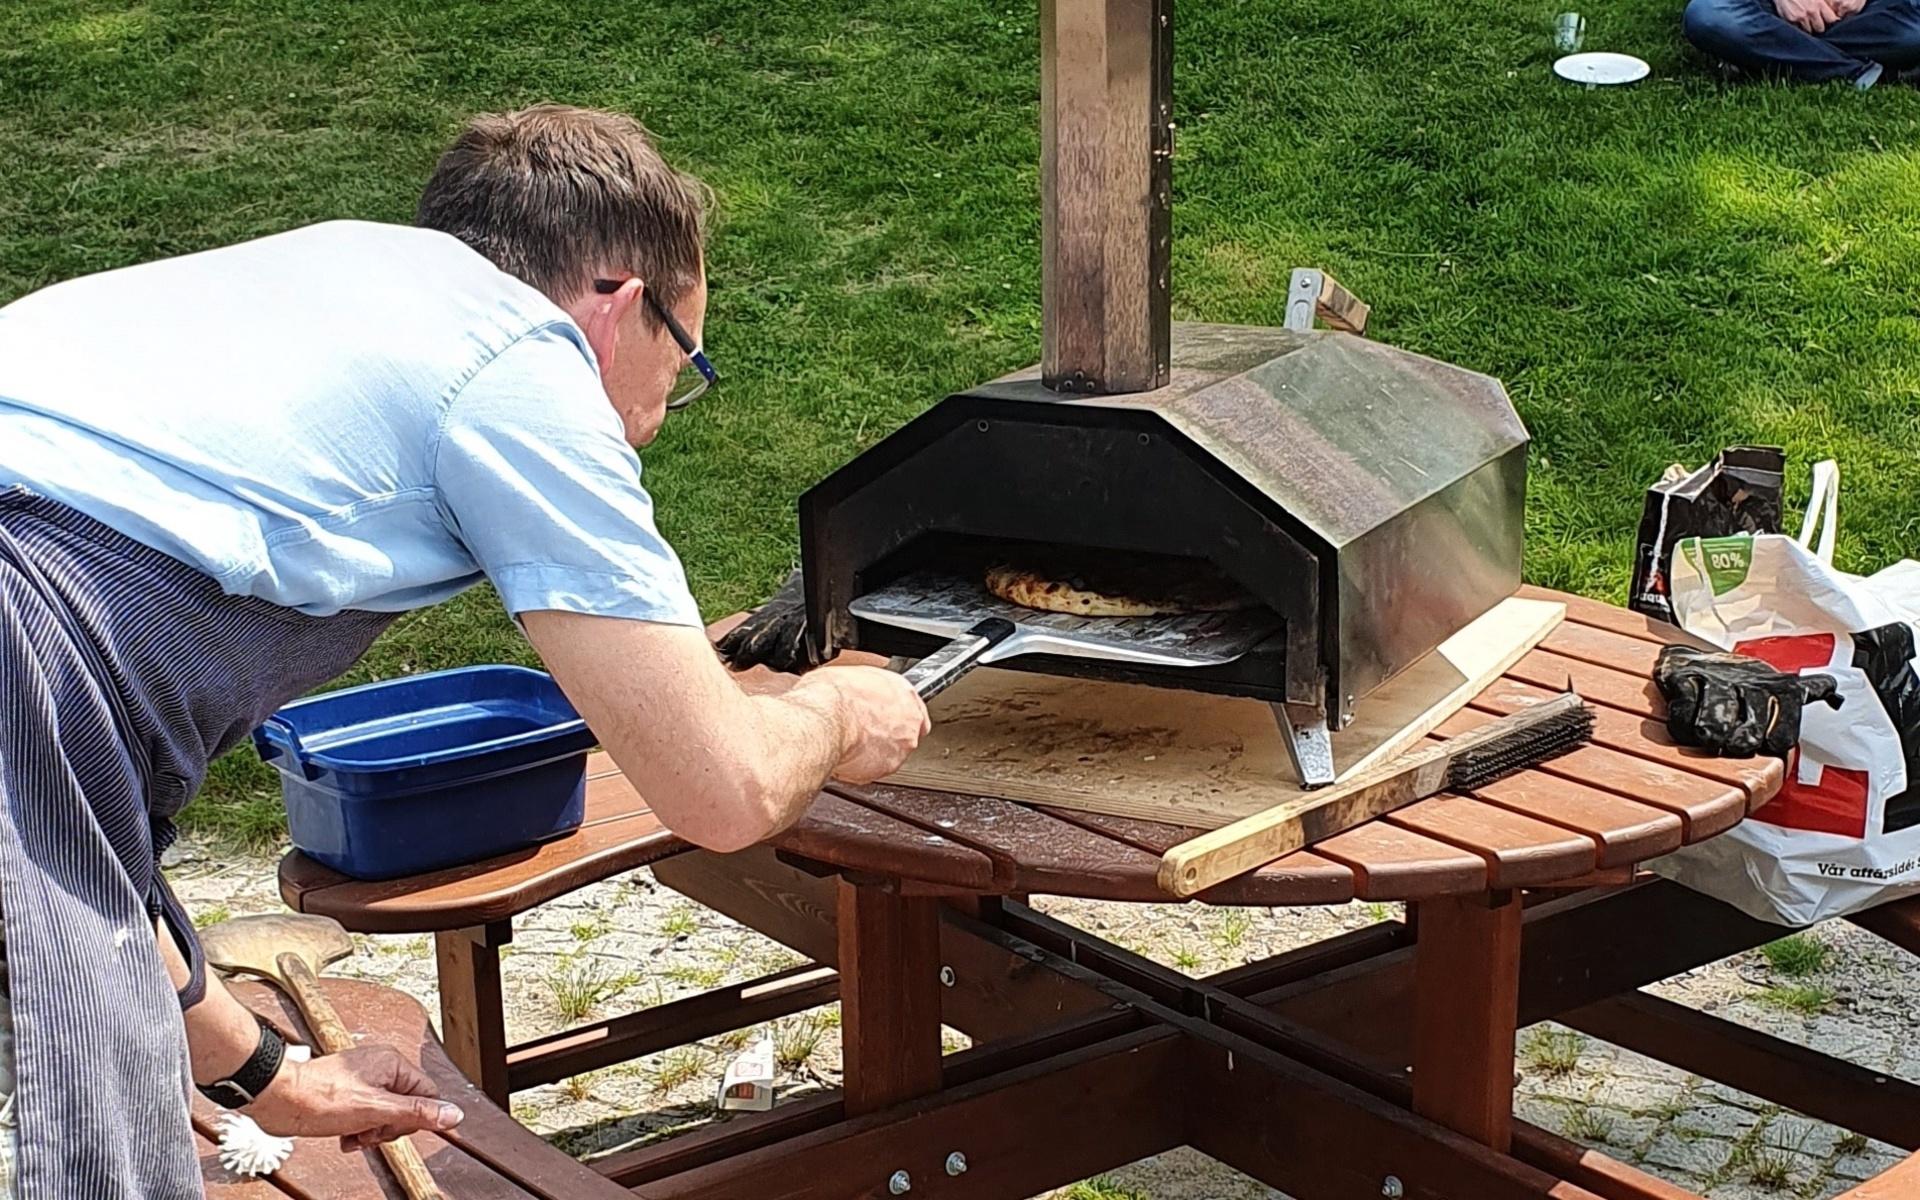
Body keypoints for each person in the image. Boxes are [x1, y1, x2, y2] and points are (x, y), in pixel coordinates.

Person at [0, 104, 928, 1197]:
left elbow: (78, 878)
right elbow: (720, 789)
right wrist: (841, 713)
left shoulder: (331, 276)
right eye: (684, 361)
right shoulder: (514, 364)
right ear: (620, 301)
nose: (652, 423)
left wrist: (269, 1080)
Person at [1682, 0, 1920, 86]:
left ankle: (1768, 51)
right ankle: (1861, 72)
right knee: (1709, 15)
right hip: (1768, 6)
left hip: (1866, 9)